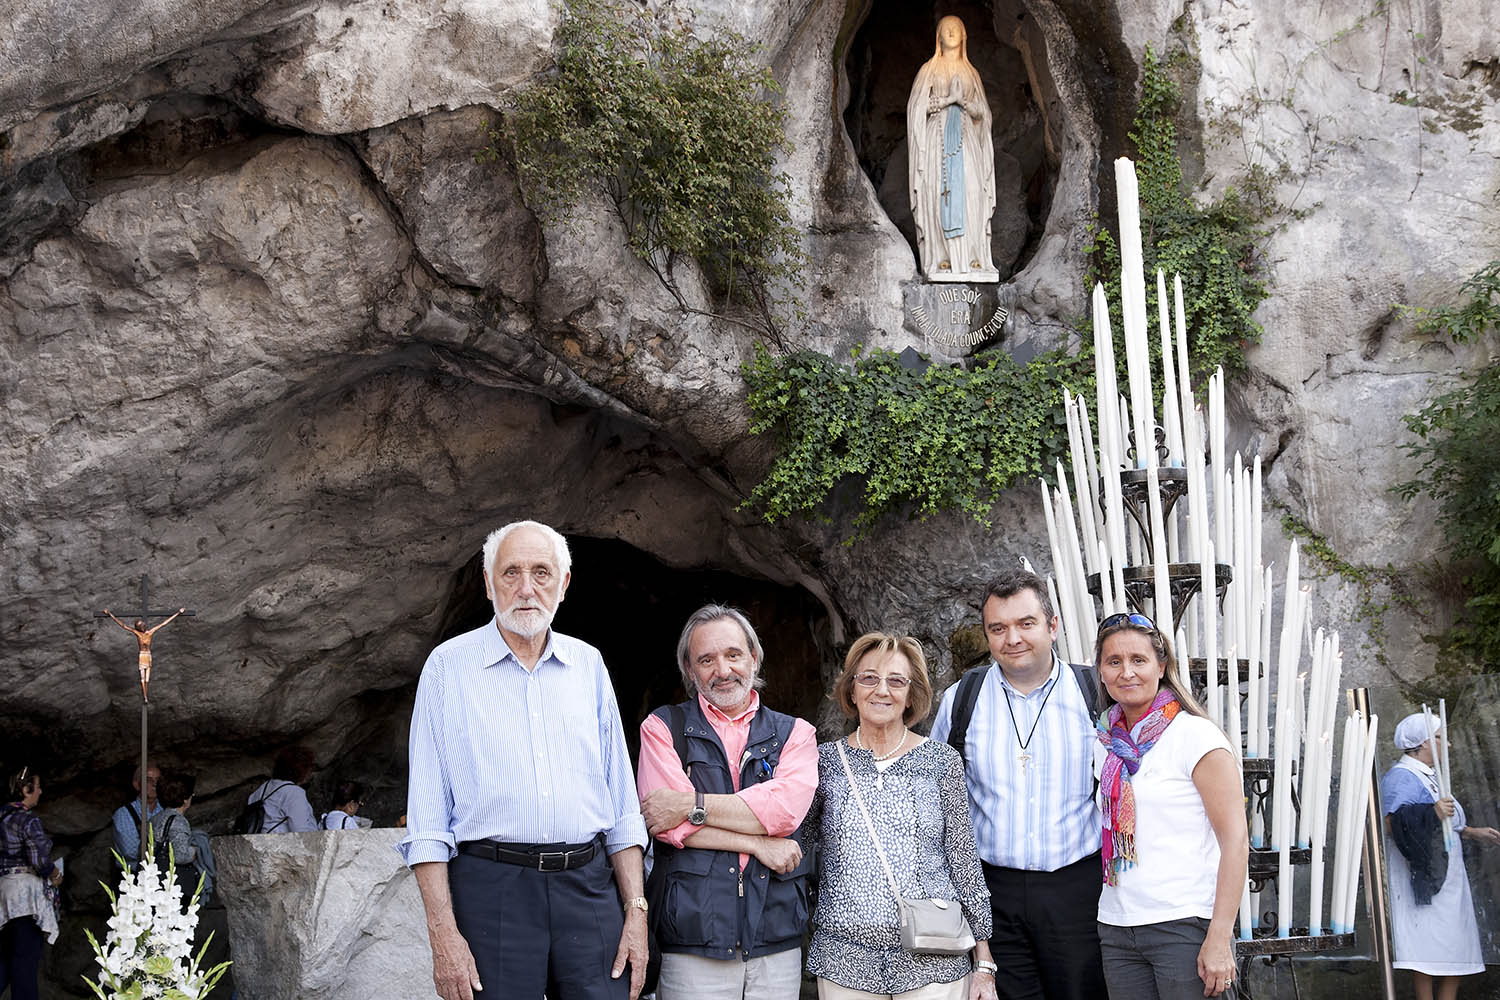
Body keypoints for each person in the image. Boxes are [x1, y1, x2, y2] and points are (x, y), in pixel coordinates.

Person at [400, 520, 649, 1000]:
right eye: (511, 573)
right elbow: (428, 823)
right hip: (492, 891)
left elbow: (622, 807)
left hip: (588, 888)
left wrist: (634, 912)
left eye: (541, 572)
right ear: (489, 584)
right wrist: (443, 935)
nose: (527, 588)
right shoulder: (447, 668)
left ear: (564, 584)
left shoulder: (589, 665)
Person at [930, 569, 1105, 1000]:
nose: (1013, 639)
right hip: (993, 895)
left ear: (1053, 626)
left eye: (1026, 624)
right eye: (998, 628)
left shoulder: (1095, 694)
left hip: (1076, 890)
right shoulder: (960, 700)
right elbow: (937, 797)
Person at [636, 605, 818, 1000]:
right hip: (693, 936)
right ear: (689, 669)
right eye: (706, 659)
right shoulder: (662, 728)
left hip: (776, 935)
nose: (722, 670)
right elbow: (667, 825)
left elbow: (784, 811)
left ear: (754, 657)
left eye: (733, 654)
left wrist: (690, 803)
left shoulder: (796, 734)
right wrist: (757, 842)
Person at [807, 632, 994, 1000]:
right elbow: (799, 848)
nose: (882, 690)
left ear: (912, 695)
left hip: (934, 958)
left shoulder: (941, 761)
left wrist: (984, 962)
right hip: (845, 959)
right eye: (869, 678)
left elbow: (963, 860)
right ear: (851, 689)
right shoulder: (822, 762)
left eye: (896, 681)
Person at [1090, 612, 1247, 1000]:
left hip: (1182, 924)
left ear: (1161, 667)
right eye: (1114, 662)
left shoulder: (1195, 736)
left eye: (1138, 660)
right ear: (1102, 672)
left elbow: (1236, 842)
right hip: (1117, 925)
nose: (1126, 672)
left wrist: (1219, 938)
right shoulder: (1104, 743)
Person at [1383, 713, 1500, 1000]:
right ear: (1422, 744)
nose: (1446, 744)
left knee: (1456, 944)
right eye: (1439, 738)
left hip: (1448, 874)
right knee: (1427, 946)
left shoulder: (1430, 776)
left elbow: (1445, 823)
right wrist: (1432, 813)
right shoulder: (1402, 777)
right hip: (1425, 875)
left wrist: (1471, 832)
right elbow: (1389, 824)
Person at [906, 15, 997, 282]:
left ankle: (972, 258)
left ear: (964, 35)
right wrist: (948, 101)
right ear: (938, 36)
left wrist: (964, 104)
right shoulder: (928, 70)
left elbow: (984, 114)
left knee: (972, 192)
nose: (951, 32)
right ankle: (942, 258)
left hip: (967, 141)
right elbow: (916, 109)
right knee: (939, 193)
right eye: (946, 28)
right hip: (937, 141)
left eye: (956, 28)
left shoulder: (972, 74)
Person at [0, 767, 62, 1000]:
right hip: (24, 896)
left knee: (7, 957)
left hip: (3, 891)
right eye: (37, 787)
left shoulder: (1, 816)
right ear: (26, 790)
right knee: (25, 959)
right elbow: (38, 859)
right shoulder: (27, 819)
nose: (40, 791)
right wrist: (55, 874)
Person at [148, 770, 210, 901]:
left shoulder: (155, 819)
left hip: (154, 880)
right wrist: (196, 849)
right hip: (173, 885)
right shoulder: (178, 821)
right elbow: (180, 855)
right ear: (185, 799)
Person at [246, 746, 319, 833]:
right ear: (301, 770)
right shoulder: (294, 793)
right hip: (280, 844)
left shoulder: (260, 790)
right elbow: (300, 831)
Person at [110, 763, 163, 863]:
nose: (155, 784)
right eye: (148, 780)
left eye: (158, 780)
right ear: (136, 785)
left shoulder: (165, 810)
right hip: (135, 874)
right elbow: (131, 851)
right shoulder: (123, 814)